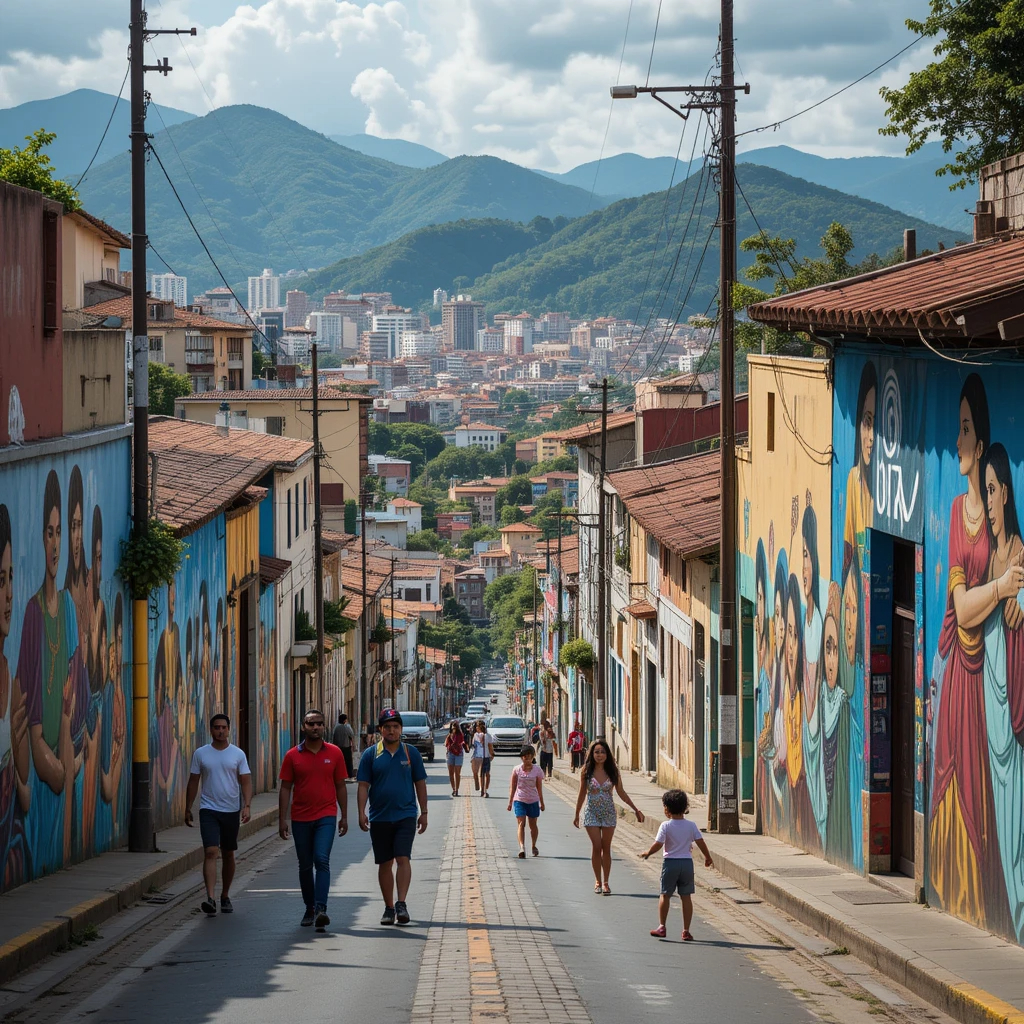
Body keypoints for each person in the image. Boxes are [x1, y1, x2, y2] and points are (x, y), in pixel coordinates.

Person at [279, 709, 348, 933]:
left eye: (319, 723)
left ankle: (321, 908)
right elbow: (285, 788)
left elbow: (340, 785)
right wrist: (283, 819)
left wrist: (344, 816)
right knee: (305, 865)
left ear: (324, 726)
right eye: (311, 724)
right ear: (303, 727)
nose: (315, 727)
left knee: (322, 859)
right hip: (300, 818)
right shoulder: (292, 756)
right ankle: (309, 907)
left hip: (326, 815)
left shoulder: (335, 753)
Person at [357, 709, 428, 926]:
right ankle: (388, 907)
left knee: (402, 858)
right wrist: (361, 812)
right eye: (387, 727)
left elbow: (420, 784)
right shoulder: (371, 754)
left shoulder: (411, 753)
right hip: (379, 817)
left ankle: (402, 904)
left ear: (401, 729)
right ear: (380, 730)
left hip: (405, 814)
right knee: (385, 863)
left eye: (395, 726)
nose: (391, 730)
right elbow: (363, 786)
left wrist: (423, 812)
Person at [185, 713, 252, 916]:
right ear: (211, 729)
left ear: (228, 729)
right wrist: (188, 807)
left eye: (223, 727)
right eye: (216, 727)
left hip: (231, 810)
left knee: (228, 853)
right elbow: (194, 781)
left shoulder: (237, 754)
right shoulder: (201, 754)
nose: (220, 731)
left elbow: (246, 781)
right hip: (208, 809)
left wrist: (247, 805)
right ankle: (210, 898)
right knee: (211, 851)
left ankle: (225, 895)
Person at [639, 789, 713, 941]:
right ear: (685, 806)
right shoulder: (691, 825)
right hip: (687, 864)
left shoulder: (665, 826)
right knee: (686, 897)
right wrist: (708, 857)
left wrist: (648, 853)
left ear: (666, 809)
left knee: (665, 895)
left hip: (670, 863)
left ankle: (662, 926)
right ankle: (686, 930)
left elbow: (658, 844)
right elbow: (700, 842)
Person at [573, 738, 645, 895]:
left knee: (606, 848)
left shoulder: (613, 771)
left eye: (603, 752)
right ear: (592, 753)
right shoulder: (586, 771)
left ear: (607, 754)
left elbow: (621, 792)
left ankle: (606, 882)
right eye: (597, 752)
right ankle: (597, 880)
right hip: (591, 812)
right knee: (596, 846)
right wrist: (577, 813)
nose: (599, 755)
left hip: (608, 813)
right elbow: (581, 794)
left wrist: (635, 809)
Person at [508, 745, 545, 858]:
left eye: (529, 757)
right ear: (522, 757)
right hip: (519, 800)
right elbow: (513, 787)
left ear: (533, 757)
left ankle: (533, 845)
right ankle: (522, 847)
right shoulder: (516, 769)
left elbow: (539, 787)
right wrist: (510, 802)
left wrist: (542, 803)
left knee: (533, 825)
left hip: (533, 800)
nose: (527, 759)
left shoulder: (537, 770)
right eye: (525, 757)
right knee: (521, 823)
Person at [470, 719, 495, 798]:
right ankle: (483, 790)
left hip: (485, 756)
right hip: (478, 757)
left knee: (485, 774)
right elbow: (474, 746)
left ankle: (484, 790)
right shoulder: (475, 735)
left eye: (478, 726)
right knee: (482, 774)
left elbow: (490, 747)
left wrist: (492, 754)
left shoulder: (487, 736)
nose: (477, 728)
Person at [444, 720, 467, 796]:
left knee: (457, 773)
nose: (454, 728)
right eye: (453, 727)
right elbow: (446, 744)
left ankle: (457, 790)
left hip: (458, 754)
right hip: (450, 754)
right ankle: (453, 789)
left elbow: (461, 742)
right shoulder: (449, 735)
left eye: (455, 727)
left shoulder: (460, 735)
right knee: (451, 773)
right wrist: (449, 738)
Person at [332, 712, 356, 780]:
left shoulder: (336, 727)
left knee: (339, 762)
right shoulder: (347, 727)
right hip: (346, 747)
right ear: (345, 720)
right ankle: (349, 775)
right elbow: (351, 735)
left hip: (338, 747)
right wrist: (353, 745)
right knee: (348, 762)